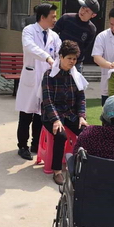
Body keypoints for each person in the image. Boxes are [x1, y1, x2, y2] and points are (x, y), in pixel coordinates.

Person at [16, 3, 62, 161]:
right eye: (53, 16)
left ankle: (36, 144)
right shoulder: (29, 30)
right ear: (43, 17)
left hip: (46, 80)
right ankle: (23, 146)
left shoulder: (54, 36)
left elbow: (59, 52)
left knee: (40, 115)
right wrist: (47, 57)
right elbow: (30, 47)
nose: (55, 19)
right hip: (31, 78)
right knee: (26, 115)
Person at [41, 41, 88, 185]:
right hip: (51, 116)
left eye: (74, 59)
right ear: (61, 57)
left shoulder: (76, 75)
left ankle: (82, 165)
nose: (72, 62)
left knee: (86, 132)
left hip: (70, 114)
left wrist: (81, 116)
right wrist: (55, 119)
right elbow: (47, 101)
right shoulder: (49, 75)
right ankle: (57, 170)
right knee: (61, 135)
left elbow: (81, 98)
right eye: (69, 58)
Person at [52, 0, 98, 73]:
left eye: (87, 11)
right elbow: (52, 35)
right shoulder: (66, 18)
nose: (83, 11)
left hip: (76, 63)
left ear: (93, 15)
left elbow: (84, 48)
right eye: (82, 8)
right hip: (59, 59)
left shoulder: (91, 29)